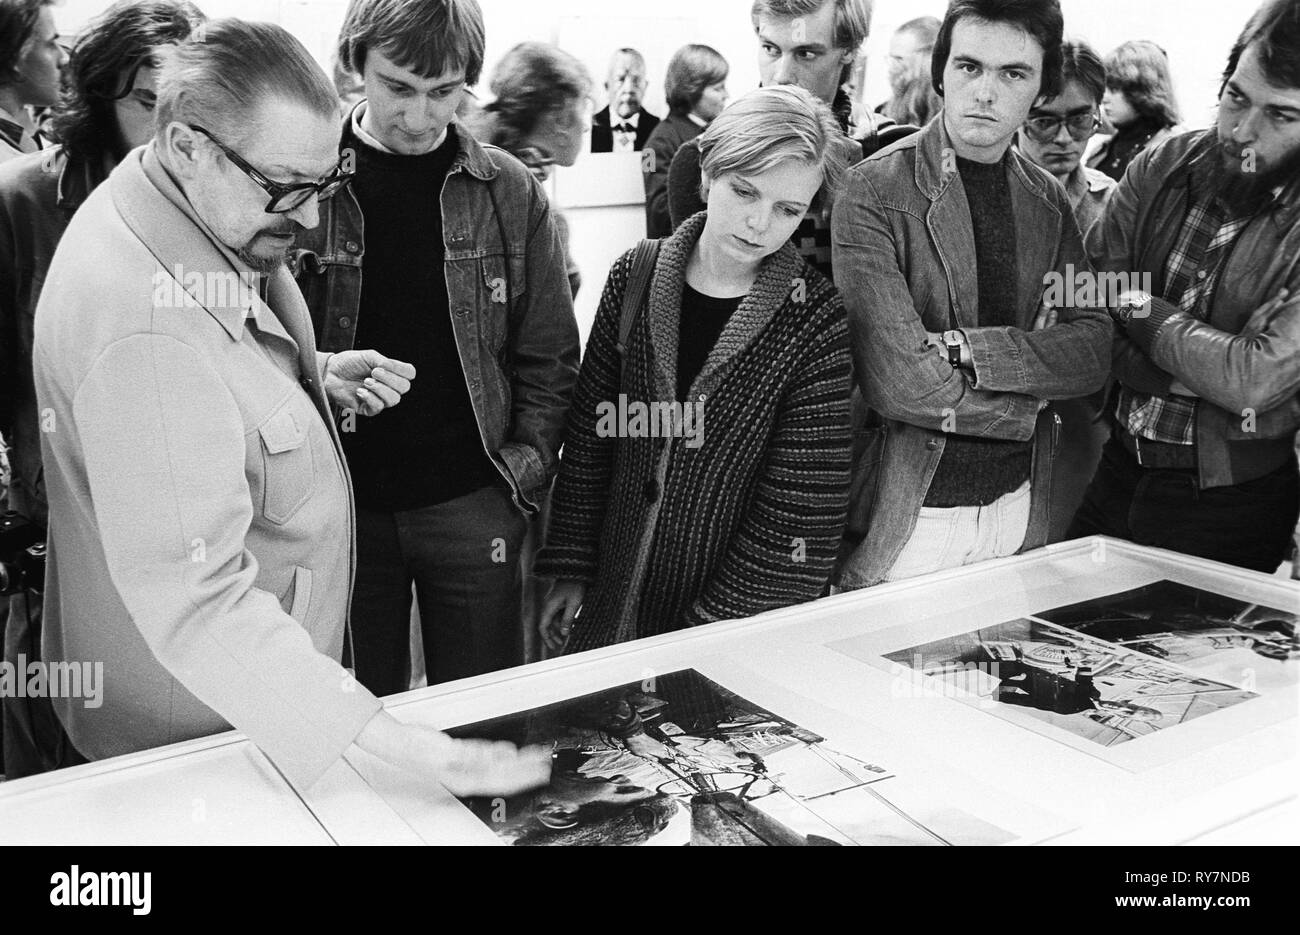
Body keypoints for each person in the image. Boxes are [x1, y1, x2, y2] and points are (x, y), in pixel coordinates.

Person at [32, 18, 548, 796]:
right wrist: (399, 744)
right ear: (187, 146)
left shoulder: (177, 201)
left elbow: (214, 378)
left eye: (325, 186)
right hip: (203, 732)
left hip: (242, 709)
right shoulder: (145, 324)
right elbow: (201, 604)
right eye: (287, 190)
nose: (309, 219)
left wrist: (314, 373)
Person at [292, 0, 579, 694]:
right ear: (353, 66)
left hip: (472, 502)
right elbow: (257, 341)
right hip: (340, 506)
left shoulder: (509, 190)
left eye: (443, 92)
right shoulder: (303, 176)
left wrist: (514, 483)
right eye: (397, 87)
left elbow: (550, 358)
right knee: (357, 725)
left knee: (484, 726)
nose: (420, 117)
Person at [536, 85, 852, 653]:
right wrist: (573, 566)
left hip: (730, 631)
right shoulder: (635, 274)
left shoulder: (815, 319)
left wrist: (705, 632)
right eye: (745, 190)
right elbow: (591, 437)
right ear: (707, 172)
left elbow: (802, 509)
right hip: (612, 607)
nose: (759, 223)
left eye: (788, 209)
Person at [831, 0, 1112, 589]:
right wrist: (1026, 407)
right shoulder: (874, 190)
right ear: (941, 73)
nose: (986, 91)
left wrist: (968, 349)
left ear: (1041, 88)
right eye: (968, 67)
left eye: (1013, 73)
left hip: (1017, 506)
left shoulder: (1048, 201)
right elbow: (900, 382)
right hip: (910, 510)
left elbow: (1091, 350)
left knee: (995, 681)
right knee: (887, 680)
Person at [0, 0, 203, 779]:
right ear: (98, 97)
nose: (164, 131)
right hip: (55, 550)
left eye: (181, 107)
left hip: (182, 549)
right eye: (143, 103)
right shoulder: (21, 202)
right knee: (59, 780)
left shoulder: (207, 208)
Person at [1068, 0, 1300, 574]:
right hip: (1118, 468)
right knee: (1048, 652)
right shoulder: (1166, 162)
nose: (1242, 130)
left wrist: (1137, 309)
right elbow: (1081, 297)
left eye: (1281, 115)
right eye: (1237, 97)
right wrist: (1183, 374)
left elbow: (1251, 382)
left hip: (1232, 504)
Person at [666, 0, 872, 277]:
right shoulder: (702, 158)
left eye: (806, 53)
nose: (781, 75)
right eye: (770, 49)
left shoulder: (883, 156)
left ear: (849, 51)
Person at [1015, 39, 1117, 542]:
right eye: (1043, 121)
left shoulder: (1113, 207)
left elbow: (1129, 306)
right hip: (989, 416)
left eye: (1080, 121)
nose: (1064, 139)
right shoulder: (976, 196)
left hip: (1078, 423)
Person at [470, 40, 591, 296]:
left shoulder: (481, 168)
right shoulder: (540, 217)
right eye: (584, 107)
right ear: (560, 116)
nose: (586, 126)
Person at [643, 43, 728, 238]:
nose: (726, 95)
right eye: (718, 88)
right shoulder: (657, 145)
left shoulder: (715, 132)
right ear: (692, 90)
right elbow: (659, 212)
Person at [1087, 40, 1180, 182]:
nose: (1104, 98)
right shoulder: (1102, 150)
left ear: (1141, 90)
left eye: (1115, 88)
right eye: (1105, 88)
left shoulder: (1170, 152)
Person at [0, 0, 66, 162]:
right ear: (15, 57)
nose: (64, 58)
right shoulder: (6, 161)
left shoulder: (16, 130)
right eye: (50, 44)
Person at [590, 47, 659, 153]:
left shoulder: (657, 129)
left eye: (636, 80)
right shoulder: (591, 128)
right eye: (620, 79)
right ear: (607, 86)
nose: (629, 89)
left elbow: (652, 168)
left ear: (645, 86)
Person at [875, 15, 940, 124]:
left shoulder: (948, 118)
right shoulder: (883, 114)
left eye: (899, 59)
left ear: (926, 61)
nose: (891, 69)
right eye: (892, 59)